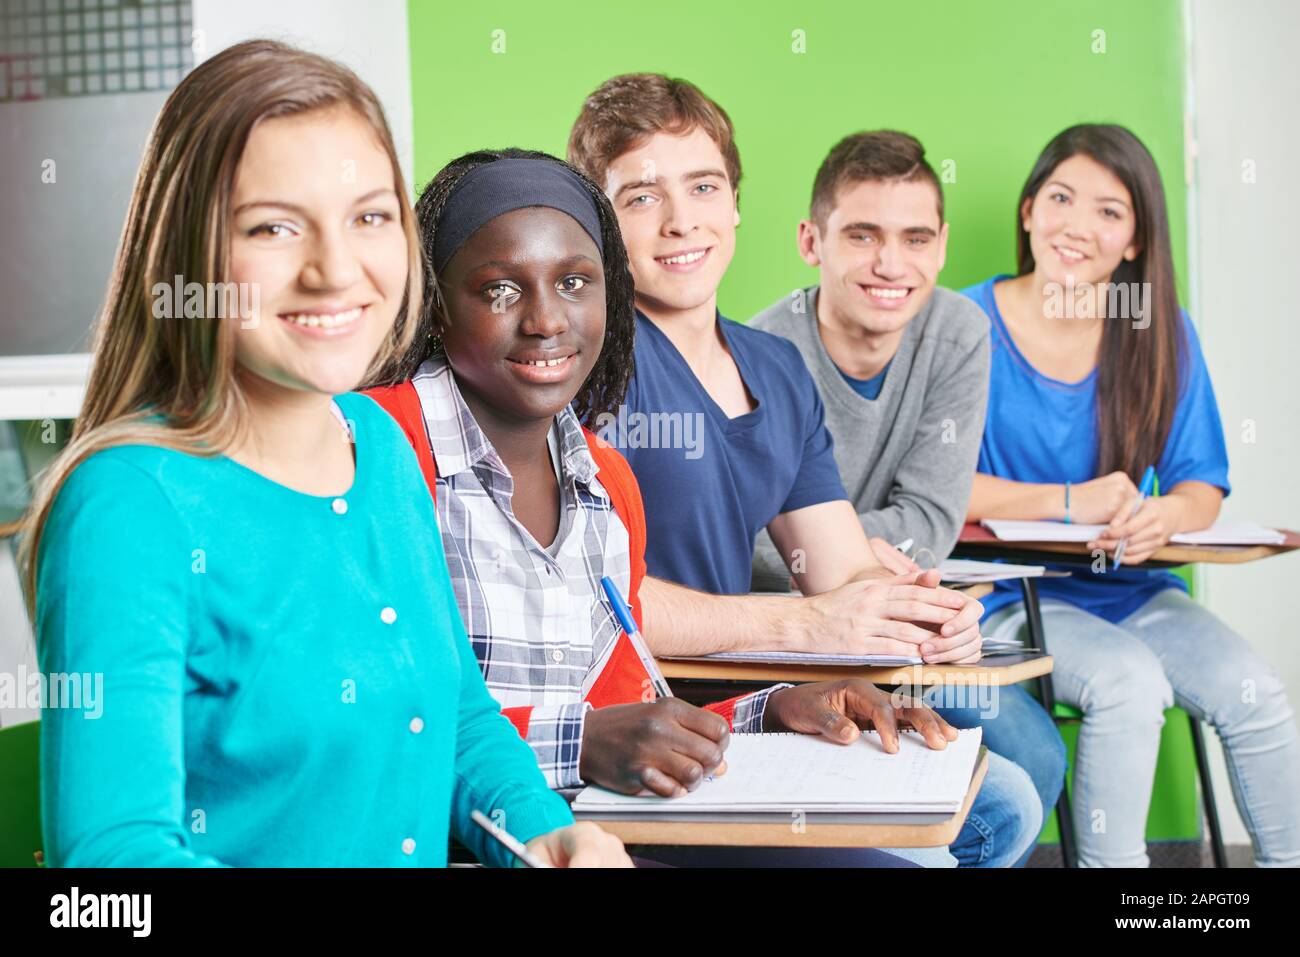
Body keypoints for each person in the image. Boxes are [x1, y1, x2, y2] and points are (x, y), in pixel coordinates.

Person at [18, 40, 628, 868]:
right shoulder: (128, 504)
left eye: (369, 216)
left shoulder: (373, 439)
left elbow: (456, 715)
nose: (336, 269)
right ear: (191, 253)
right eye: (273, 226)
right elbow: (113, 867)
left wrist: (545, 830)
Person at [364, 147, 965, 867]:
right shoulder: (373, 452)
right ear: (435, 304)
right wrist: (582, 744)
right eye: (499, 290)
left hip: (612, 824)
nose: (546, 320)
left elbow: (634, 713)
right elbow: (375, 723)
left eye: (576, 282)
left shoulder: (604, 476)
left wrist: (774, 708)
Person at [566, 73, 1042, 867]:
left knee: (1007, 803)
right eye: (642, 196)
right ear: (599, 222)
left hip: (752, 707)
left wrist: (924, 614)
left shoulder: (776, 369)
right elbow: (596, 603)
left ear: (735, 204)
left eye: (704, 186)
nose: (683, 219)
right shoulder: (588, 365)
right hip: (642, 731)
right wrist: (799, 622)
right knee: (923, 857)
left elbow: (839, 569)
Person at [963, 123, 1300, 867]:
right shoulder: (963, 324)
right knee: (1128, 684)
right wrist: (1068, 500)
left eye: (1109, 211)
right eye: (1059, 197)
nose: (1077, 225)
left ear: (1137, 241)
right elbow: (933, 493)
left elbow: (1201, 484)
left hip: (1134, 587)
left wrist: (1166, 517)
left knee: (1255, 689)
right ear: (1027, 211)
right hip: (1010, 596)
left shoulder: (1160, 331)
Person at [749, 129, 1066, 865]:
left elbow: (932, 518)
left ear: (942, 245)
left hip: (910, 632)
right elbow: (755, 551)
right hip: (790, 640)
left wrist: (831, 551)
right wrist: (847, 565)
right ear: (810, 240)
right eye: (862, 235)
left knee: (1034, 751)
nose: (891, 263)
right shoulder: (761, 353)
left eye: (915, 237)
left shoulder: (957, 332)